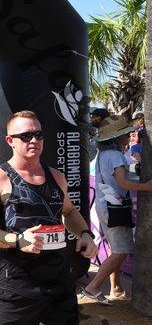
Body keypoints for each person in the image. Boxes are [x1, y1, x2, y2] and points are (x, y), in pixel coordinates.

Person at [0, 110, 97, 324]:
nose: (34, 140)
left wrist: (85, 234)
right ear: (10, 141)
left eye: (39, 134)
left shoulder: (57, 177)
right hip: (18, 285)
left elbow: (69, 211)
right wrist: (18, 240)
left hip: (60, 283)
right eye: (26, 136)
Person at [83, 115, 152, 305]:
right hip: (115, 208)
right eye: (126, 133)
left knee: (116, 249)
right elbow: (123, 183)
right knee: (121, 252)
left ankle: (116, 288)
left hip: (106, 207)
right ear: (117, 137)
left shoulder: (103, 154)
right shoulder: (115, 156)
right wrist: (146, 187)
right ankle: (93, 287)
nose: (129, 136)